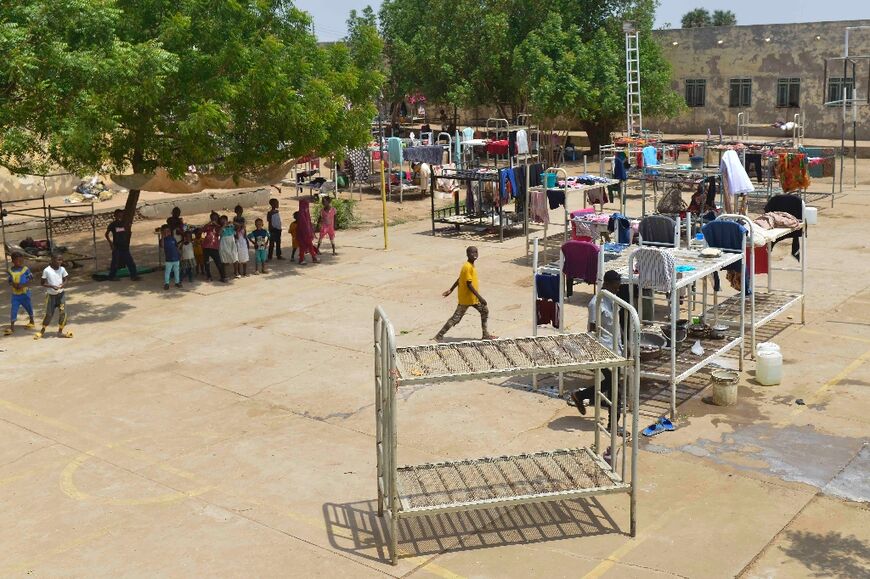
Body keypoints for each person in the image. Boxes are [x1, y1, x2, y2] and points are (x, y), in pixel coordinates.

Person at [570, 270, 626, 431]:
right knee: (616, 386)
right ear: (607, 284)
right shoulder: (596, 303)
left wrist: (623, 346)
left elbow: (616, 325)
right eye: (616, 287)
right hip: (602, 349)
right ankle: (613, 425)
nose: (618, 289)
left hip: (615, 348)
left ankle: (580, 395)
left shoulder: (612, 299)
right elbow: (593, 330)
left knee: (612, 383)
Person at [435, 246, 497, 341]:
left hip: (472, 299)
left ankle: (485, 334)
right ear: (467, 254)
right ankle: (439, 336)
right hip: (467, 298)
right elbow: (469, 284)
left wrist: (451, 290)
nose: (474, 254)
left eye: (476, 252)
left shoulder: (470, 265)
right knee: (456, 318)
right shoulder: (467, 267)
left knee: (484, 310)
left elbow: (460, 279)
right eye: (472, 252)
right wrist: (480, 298)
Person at [35, 253, 72, 339]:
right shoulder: (47, 270)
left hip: (61, 295)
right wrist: (52, 286)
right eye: (58, 259)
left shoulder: (62, 269)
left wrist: (63, 284)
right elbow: (42, 283)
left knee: (63, 313)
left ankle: (60, 331)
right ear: (52, 260)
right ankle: (43, 330)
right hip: (51, 296)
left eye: (61, 260)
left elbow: (66, 279)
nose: (60, 261)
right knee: (49, 314)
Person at [105, 209, 141, 281]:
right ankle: (112, 276)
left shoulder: (124, 223)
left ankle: (133, 276)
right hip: (116, 247)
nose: (120, 217)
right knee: (115, 263)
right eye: (118, 215)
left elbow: (126, 232)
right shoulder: (113, 224)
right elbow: (106, 234)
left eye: (121, 215)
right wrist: (111, 243)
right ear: (115, 216)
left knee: (130, 262)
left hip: (124, 246)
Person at [6, 252, 35, 335]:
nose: (20, 263)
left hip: (25, 294)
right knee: (13, 309)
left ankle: (31, 321)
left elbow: (32, 279)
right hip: (15, 295)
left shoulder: (25, 269)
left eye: (21, 261)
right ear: (13, 261)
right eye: (18, 261)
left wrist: (23, 285)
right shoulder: (10, 270)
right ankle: (12, 327)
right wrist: (13, 284)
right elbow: (10, 281)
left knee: (28, 307)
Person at [201, 212, 226, 282]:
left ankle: (223, 276)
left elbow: (219, 233)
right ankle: (209, 276)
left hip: (214, 247)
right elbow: (202, 230)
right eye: (212, 218)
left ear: (217, 218)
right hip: (206, 246)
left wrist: (217, 225)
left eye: (215, 218)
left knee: (218, 262)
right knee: (206, 263)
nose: (214, 219)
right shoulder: (208, 226)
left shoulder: (219, 227)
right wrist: (209, 223)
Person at [296, 199, 319, 264]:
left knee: (307, 246)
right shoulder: (302, 215)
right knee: (304, 246)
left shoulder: (304, 214)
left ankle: (310, 258)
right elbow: (304, 225)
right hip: (304, 234)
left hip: (306, 234)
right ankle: (305, 259)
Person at [160, 224, 182, 290]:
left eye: (168, 231)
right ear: (162, 232)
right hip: (168, 260)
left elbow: (176, 247)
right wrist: (163, 237)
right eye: (165, 231)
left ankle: (177, 282)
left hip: (176, 258)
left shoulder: (172, 238)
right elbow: (162, 245)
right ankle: (166, 283)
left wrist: (179, 254)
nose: (167, 233)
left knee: (176, 271)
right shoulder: (163, 240)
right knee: (167, 272)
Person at [233, 205, 250, 276]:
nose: (239, 212)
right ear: (236, 211)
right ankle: (239, 271)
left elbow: (242, 226)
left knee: (244, 256)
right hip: (238, 238)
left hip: (242, 238)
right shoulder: (235, 218)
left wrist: (239, 227)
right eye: (238, 211)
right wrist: (239, 227)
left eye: (240, 210)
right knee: (238, 257)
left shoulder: (242, 218)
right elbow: (237, 226)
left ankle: (244, 272)